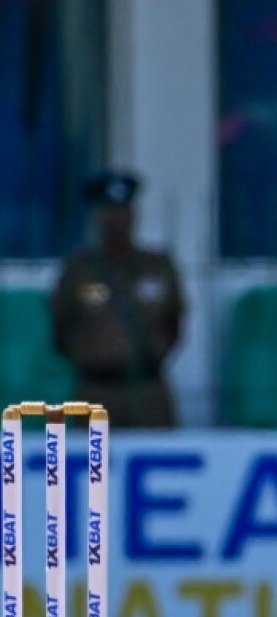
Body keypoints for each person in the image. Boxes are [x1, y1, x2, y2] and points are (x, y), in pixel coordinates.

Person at [51, 170, 186, 427]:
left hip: (148, 391)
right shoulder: (79, 270)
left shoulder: (157, 266)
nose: (117, 220)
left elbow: (174, 322)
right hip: (96, 391)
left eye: (123, 211)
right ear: (98, 218)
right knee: (94, 464)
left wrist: (153, 353)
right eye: (109, 212)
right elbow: (60, 327)